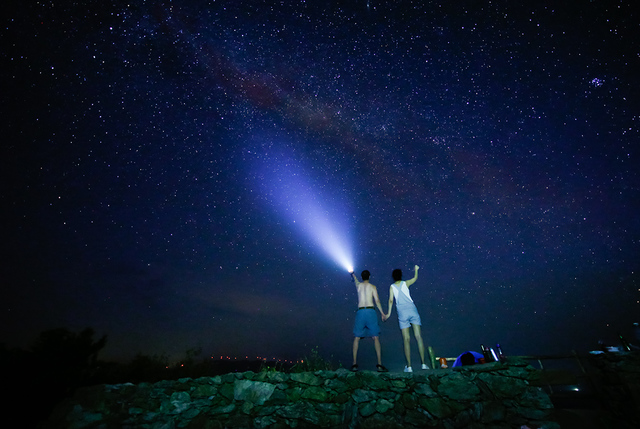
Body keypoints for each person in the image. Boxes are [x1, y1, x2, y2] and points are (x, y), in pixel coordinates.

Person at [385, 265, 428, 372]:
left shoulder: (392, 287)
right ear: (401, 275)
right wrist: (416, 270)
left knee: (406, 339)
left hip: (402, 312)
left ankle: (409, 367)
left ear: (393, 277)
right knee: (418, 337)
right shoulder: (406, 283)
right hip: (412, 309)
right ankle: (423, 364)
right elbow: (415, 278)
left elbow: (391, 300)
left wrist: (388, 314)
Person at [350, 270, 388, 372]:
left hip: (361, 311)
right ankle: (379, 364)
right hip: (371, 311)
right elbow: (377, 301)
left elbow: (355, 280)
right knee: (375, 337)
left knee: (357, 337)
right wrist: (382, 313)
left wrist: (353, 274)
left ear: (362, 277)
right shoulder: (373, 287)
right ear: (369, 276)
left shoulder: (359, 286)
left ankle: (354, 364)